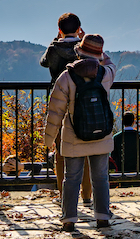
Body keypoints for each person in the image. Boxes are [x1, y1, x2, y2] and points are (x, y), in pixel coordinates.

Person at [43, 34, 115, 231]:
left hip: (74, 135)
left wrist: (49, 138)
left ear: (79, 53)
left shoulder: (66, 77)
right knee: (100, 177)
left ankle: (69, 219)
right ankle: (102, 216)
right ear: (99, 55)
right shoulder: (105, 74)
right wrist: (99, 51)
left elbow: (55, 110)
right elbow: (111, 63)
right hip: (101, 134)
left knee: (72, 178)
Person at [39, 12, 92, 206]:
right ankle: (87, 195)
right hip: (83, 102)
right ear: (79, 29)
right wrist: (83, 39)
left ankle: (63, 195)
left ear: (60, 29)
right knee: (85, 148)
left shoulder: (54, 49)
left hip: (60, 102)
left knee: (61, 151)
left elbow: (44, 62)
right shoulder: (84, 48)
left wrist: (56, 39)